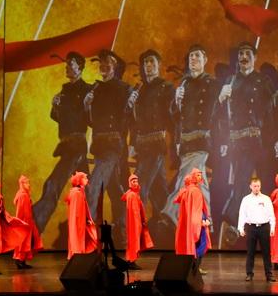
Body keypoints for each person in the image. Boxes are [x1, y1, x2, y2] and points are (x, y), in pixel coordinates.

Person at [215, 42, 278, 245]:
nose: (244, 57)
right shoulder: (230, 81)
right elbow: (221, 115)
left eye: (248, 54)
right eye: (241, 53)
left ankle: (268, 229)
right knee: (241, 182)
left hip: (262, 142)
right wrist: (220, 98)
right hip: (240, 143)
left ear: (255, 58)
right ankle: (234, 224)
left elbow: (274, 110)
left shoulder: (263, 81)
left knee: (266, 185)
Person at [34, 52, 92, 232]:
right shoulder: (64, 91)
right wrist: (55, 107)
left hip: (76, 145)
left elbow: (90, 119)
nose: (67, 67)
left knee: (54, 183)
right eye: (66, 64)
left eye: (71, 64)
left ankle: (35, 222)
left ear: (80, 68)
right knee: (84, 188)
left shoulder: (88, 90)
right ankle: (88, 226)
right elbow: (60, 118)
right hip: (67, 146)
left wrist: (88, 105)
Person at [163, 45, 220, 225]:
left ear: (205, 60)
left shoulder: (212, 84)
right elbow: (175, 118)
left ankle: (171, 213)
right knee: (199, 183)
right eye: (191, 57)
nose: (193, 59)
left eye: (197, 56)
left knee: (185, 178)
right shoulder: (184, 84)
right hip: (185, 142)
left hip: (202, 141)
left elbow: (218, 114)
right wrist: (177, 102)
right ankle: (206, 222)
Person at [84, 50, 132, 236]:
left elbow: (129, 118)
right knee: (113, 189)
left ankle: (87, 232)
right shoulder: (94, 89)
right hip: (99, 146)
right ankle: (124, 226)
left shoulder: (124, 89)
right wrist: (87, 106)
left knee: (94, 186)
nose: (103, 66)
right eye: (101, 63)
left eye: (108, 63)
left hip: (113, 146)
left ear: (115, 67)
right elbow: (90, 122)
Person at [126, 49, 174, 229]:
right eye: (146, 62)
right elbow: (134, 121)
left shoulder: (166, 87)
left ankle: (134, 229)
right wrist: (132, 143)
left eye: (152, 62)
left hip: (157, 144)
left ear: (159, 65)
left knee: (139, 185)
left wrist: (176, 143)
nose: (149, 65)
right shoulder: (139, 89)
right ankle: (171, 226)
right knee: (158, 189)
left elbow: (173, 117)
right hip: (141, 145)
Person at [237, 178, 276, 282]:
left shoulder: (266, 199)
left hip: (264, 227)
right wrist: (240, 228)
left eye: (258, 186)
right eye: (254, 186)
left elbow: (271, 214)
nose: (256, 188)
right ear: (250, 186)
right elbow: (242, 214)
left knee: (266, 252)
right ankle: (249, 274)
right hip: (251, 227)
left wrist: (272, 227)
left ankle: (269, 274)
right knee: (250, 252)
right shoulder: (246, 199)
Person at [175, 168, 211, 274]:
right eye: (198, 175)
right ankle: (195, 268)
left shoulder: (187, 190)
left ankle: (193, 268)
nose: (200, 177)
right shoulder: (194, 191)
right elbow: (196, 210)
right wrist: (201, 222)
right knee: (201, 244)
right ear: (193, 176)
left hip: (192, 222)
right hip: (197, 222)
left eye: (200, 175)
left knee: (194, 245)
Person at [121, 174, 153, 269]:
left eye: (136, 181)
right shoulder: (132, 195)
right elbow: (134, 212)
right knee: (134, 242)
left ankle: (131, 260)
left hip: (136, 223)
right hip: (134, 224)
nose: (135, 183)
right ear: (130, 183)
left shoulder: (133, 194)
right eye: (133, 181)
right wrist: (139, 224)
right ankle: (131, 261)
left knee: (134, 242)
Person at [13, 175, 43, 269]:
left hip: (28, 222)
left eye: (28, 183)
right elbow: (19, 211)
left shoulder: (25, 194)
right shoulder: (22, 195)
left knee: (27, 242)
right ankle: (19, 260)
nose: (28, 185)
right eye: (26, 183)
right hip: (24, 222)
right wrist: (20, 223)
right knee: (23, 242)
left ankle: (22, 260)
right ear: (22, 184)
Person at [66, 171, 98, 258]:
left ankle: (78, 255)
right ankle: (77, 256)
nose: (87, 179)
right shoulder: (77, 193)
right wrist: (85, 220)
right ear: (79, 180)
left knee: (81, 238)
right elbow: (78, 210)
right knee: (78, 238)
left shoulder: (77, 192)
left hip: (78, 221)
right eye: (85, 178)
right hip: (78, 222)